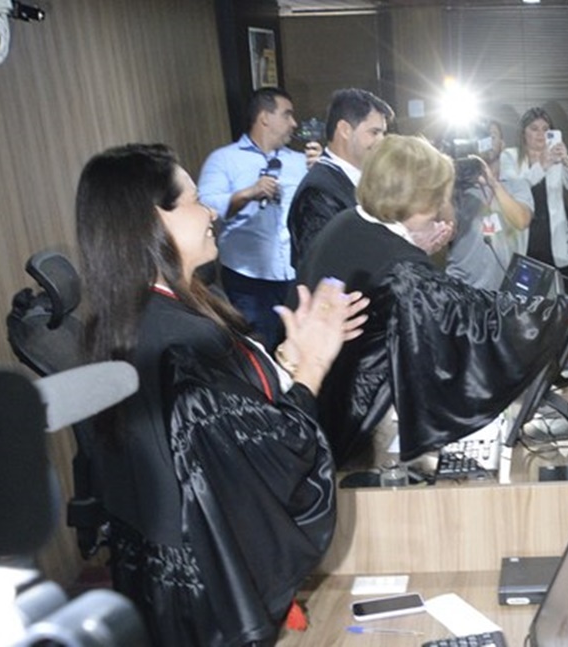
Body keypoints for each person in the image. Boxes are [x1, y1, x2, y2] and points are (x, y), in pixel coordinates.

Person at [75, 143, 369, 645]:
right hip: (206, 597)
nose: (211, 211)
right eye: (193, 200)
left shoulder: (128, 321)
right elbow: (270, 457)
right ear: (152, 221)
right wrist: (314, 365)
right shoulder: (179, 343)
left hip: (157, 584)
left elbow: (228, 424)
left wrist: (289, 359)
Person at [295, 134, 568, 464]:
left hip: (316, 406)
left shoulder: (348, 222)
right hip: (350, 436)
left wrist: (414, 247)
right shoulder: (402, 270)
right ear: (423, 201)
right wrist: (567, 311)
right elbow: (472, 316)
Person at [198, 87, 307, 350]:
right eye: (287, 114)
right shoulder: (223, 160)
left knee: (298, 348)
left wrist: (319, 170)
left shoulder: (301, 162)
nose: (294, 123)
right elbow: (206, 206)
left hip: (295, 275)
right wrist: (248, 193)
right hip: (248, 279)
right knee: (258, 350)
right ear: (265, 117)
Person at [287, 88, 394, 267]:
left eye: (383, 133)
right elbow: (323, 266)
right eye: (374, 132)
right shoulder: (317, 192)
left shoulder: (372, 180)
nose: (381, 141)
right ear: (345, 130)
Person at [446, 120, 534, 290]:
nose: (486, 142)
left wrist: (493, 183)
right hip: (462, 288)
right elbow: (444, 230)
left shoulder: (518, 186)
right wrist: (446, 182)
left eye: (491, 136)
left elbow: (522, 220)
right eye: (481, 137)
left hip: (504, 291)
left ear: (502, 145)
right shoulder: (459, 189)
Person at [500, 106, 568, 272]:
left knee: (554, 282)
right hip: (524, 229)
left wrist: (566, 161)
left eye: (545, 129)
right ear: (523, 133)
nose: (540, 134)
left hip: (551, 233)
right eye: (534, 129)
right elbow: (514, 189)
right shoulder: (509, 156)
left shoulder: (556, 157)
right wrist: (542, 165)